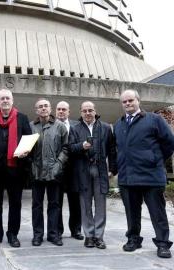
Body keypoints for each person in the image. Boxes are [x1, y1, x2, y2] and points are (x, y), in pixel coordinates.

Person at [114, 89, 174, 258]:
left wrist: (155, 159)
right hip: (127, 178)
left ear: (138, 101)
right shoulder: (118, 124)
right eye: (124, 101)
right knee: (131, 214)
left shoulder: (155, 120)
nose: (127, 103)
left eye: (130, 100)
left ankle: (163, 244)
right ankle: (133, 239)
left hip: (151, 177)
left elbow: (169, 143)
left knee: (157, 213)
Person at [0, 89, 32, 248]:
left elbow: (29, 140)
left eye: (7, 98)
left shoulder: (22, 118)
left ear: (12, 100)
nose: (5, 100)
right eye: (2, 98)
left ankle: (13, 234)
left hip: (15, 169)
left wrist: (27, 151)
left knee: (15, 203)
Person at [69, 101, 117, 249]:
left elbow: (112, 150)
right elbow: (70, 148)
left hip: (100, 170)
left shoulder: (105, 127)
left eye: (90, 110)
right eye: (85, 111)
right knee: (85, 204)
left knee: (101, 204)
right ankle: (89, 236)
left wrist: (113, 169)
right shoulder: (75, 128)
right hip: (83, 171)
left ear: (95, 111)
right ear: (81, 112)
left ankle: (99, 236)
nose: (88, 113)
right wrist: (81, 146)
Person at [30, 98, 69, 247]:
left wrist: (58, 164)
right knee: (36, 205)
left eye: (46, 106)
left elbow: (66, 148)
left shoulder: (60, 127)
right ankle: (37, 235)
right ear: (36, 110)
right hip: (37, 172)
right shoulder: (31, 126)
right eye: (40, 106)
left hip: (54, 172)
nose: (43, 108)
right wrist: (31, 165)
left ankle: (53, 235)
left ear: (50, 109)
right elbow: (27, 149)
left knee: (54, 204)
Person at [56, 101, 83, 241]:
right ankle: (58, 231)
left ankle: (76, 230)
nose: (61, 111)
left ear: (68, 112)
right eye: (59, 109)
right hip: (58, 169)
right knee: (57, 202)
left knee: (75, 202)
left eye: (64, 109)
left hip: (74, 169)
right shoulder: (51, 125)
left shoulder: (76, 126)